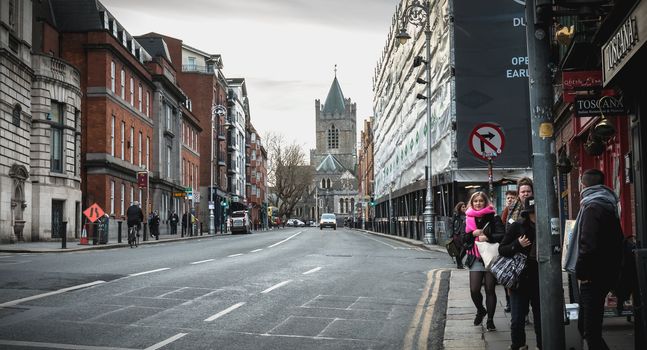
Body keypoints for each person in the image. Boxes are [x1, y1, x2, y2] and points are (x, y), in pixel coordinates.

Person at [565, 169, 623, 350]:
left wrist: (582, 272)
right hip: (605, 272)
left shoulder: (592, 207)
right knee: (585, 326)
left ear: (583, 185)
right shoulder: (607, 203)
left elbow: (587, 245)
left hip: (593, 276)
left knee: (590, 330)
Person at [499, 196, 541, 350]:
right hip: (520, 280)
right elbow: (502, 249)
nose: (535, 215)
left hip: (541, 281)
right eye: (533, 212)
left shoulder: (548, 225)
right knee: (517, 321)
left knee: (540, 320)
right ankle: (518, 346)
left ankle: (542, 346)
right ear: (528, 213)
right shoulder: (517, 227)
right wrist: (517, 244)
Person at [463, 191, 505, 331]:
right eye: (476, 201)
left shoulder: (493, 217)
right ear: (472, 203)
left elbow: (501, 235)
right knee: (474, 290)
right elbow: (464, 240)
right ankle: (481, 310)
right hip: (475, 257)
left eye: (481, 201)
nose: (478, 203)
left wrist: (488, 237)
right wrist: (471, 234)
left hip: (490, 258)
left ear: (485, 202)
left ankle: (491, 320)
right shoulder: (468, 218)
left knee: (489, 289)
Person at [451, 201, 467, 269]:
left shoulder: (467, 214)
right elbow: (451, 224)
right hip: (457, 234)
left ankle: (459, 262)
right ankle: (459, 264)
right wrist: (452, 233)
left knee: (465, 248)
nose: (464, 208)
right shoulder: (456, 214)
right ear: (459, 207)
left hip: (463, 234)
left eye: (465, 207)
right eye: (463, 207)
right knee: (457, 250)